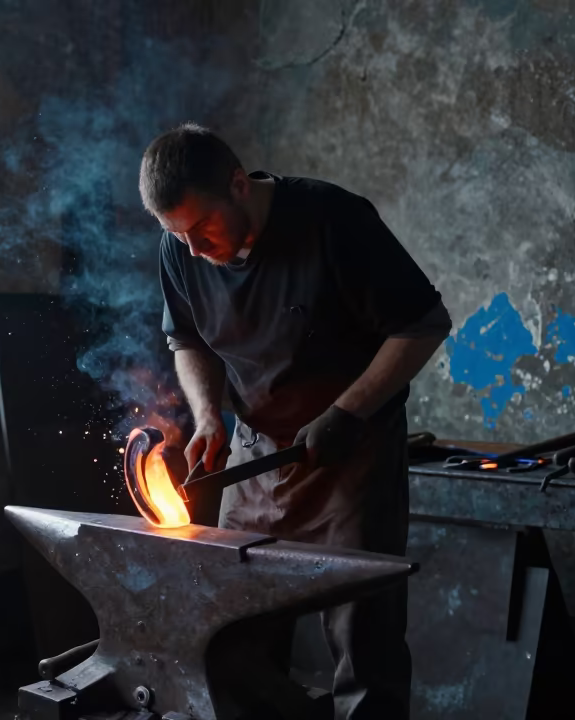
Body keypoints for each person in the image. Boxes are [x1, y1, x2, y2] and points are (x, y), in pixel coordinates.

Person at [140, 123, 452, 720]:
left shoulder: (333, 220)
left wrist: (347, 412)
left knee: (364, 643)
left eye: (203, 230)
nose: (195, 251)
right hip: (254, 451)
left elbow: (423, 323)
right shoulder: (180, 249)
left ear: (238, 185)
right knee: (232, 631)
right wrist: (209, 418)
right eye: (178, 236)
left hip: (350, 455)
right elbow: (187, 341)